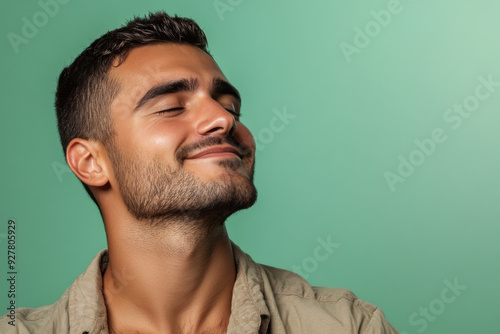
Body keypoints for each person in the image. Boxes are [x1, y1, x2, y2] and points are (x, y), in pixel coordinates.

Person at [0, 12, 398, 334]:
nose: (223, 120)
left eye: (231, 106)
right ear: (90, 162)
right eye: (172, 106)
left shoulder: (349, 326)